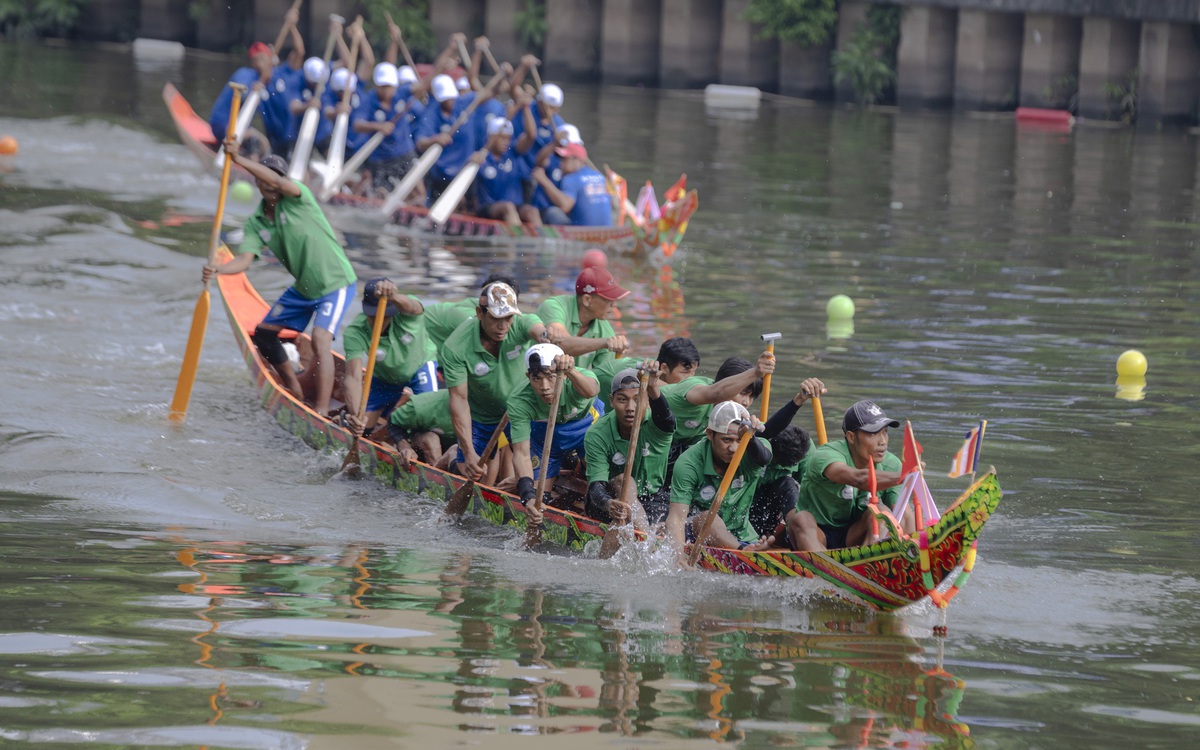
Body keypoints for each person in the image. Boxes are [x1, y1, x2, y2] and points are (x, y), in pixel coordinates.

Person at [202, 151, 357, 418]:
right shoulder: (256, 223)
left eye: (276, 178)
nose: (271, 184)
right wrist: (219, 269)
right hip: (304, 288)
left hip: (336, 282)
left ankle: (320, 411)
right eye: (265, 179)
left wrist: (238, 158)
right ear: (257, 183)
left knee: (320, 339)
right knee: (263, 334)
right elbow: (244, 260)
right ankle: (293, 386)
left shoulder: (299, 197)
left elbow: (282, 183)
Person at [439, 282, 550, 485]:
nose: (503, 326)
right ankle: (455, 455)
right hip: (482, 416)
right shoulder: (456, 347)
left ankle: (516, 485)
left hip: (521, 410)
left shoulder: (521, 323)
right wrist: (469, 451)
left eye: (508, 318)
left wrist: (548, 337)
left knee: (536, 469)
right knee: (471, 471)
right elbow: (459, 400)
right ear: (480, 313)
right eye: (496, 319)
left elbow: (541, 332)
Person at [785, 400, 913, 552]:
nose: (883, 442)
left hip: (853, 535)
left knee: (882, 512)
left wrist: (917, 548)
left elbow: (904, 515)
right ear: (851, 437)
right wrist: (906, 476)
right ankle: (826, 569)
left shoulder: (892, 464)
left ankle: (869, 561)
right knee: (801, 519)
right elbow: (858, 479)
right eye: (873, 433)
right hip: (817, 534)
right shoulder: (826, 455)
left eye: (885, 432)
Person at [666, 401, 776, 554]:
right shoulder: (689, 462)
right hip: (698, 533)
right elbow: (677, 517)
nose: (733, 448)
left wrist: (749, 438)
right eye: (726, 440)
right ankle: (745, 551)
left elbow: (764, 458)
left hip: (742, 535)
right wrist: (677, 555)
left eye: (739, 440)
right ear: (710, 434)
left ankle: (748, 548)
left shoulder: (752, 449)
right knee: (708, 517)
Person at [509, 343, 602, 517]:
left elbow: (591, 391)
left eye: (550, 377)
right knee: (538, 496)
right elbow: (521, 454)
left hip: (585, 427)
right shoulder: (519, 400)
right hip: (545, 436)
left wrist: (571, 371)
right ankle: (523, 491)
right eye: (536, 378)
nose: (544, 387)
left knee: (603, 482)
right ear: (528, 376)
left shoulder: (578, 376)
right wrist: (528, 496)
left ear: (563, 376)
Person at [584, 363, 676, 527]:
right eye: (622, 400)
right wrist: (609, 504)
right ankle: (642, 536)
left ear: (647, 401)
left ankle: (641, 534)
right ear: (611, 401)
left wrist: (653, 386)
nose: (630, 408)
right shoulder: (597, 433)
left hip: (652, 498)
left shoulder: (658, 425)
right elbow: (596, 487)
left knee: (665, 527)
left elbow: (666, 418)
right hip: (611, 500)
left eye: (637, 399)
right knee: (623, 481)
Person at [341, 278, 438, 436]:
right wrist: (356, 418)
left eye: (386, 315)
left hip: (420, 366)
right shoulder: (355, 332)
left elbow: (415, 308)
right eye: (373, 316)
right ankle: (351, 420)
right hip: (385, 377)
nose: (379, 320)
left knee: (429, 417)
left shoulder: (406, 311)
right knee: (363, 427)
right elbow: (353, 378)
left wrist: (394, 297)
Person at [747, 380, 827, 536]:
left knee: (789, 485)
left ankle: (798, 533)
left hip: (775, 504)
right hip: (744, 498)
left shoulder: (806, 449)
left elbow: (808, 493)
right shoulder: (756, 435)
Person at [350, 62, 423, 198]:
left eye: (389, 87)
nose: (385, 90)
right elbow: (357, 125)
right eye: (382, 86)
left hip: (404, 152)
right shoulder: (368, 100)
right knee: (381, 194)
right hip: (380, 158)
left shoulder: (401, 93)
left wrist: (445, 61)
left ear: (395, 86)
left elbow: (423, 85)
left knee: (419, 193)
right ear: (376, 85)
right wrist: (378, 126)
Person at [537, 267, 629, 370]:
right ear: (587, 300)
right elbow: (561, 344)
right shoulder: (553, 307)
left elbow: (605, 377)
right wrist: (604, 343)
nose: (614, 305)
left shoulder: (606, 331)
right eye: (608, 299)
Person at [415, 73, 478, 205]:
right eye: (445, 98)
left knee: (468, 203)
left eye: (451, 97)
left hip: (465, 168)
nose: (449, 101)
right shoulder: (431, 114)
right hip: (441, 172)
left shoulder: (464, 102)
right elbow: (420, 142)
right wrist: (436, 139)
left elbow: (487, 93)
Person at [469, 116, 540, 226]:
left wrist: (525, 107)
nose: (506, 142)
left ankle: (541, 242)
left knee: (532, 211)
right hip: (488, 208)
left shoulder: (512, 153)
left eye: (508, 138)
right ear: (491, 137)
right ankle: (518, 240)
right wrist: (469, 163)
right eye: (502, 138)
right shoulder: (481, 158)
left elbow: (531, 135)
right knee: (507, 207)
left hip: (514, 206)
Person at [208, 41, 273, 157]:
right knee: (255, 143)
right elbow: (241, 93)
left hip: (242, 126)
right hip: (223, 124)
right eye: (257, 59)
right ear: (253, 62)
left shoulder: (267, 82)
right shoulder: (244, 74)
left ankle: (254, 165)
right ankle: (251, 167)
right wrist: (253, 89)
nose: (261, 63)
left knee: (266, 145)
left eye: (264, 59)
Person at [532, 142, 613, 227]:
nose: (561, 164)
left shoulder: (571, 179)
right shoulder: (600, 176)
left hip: (582, 233)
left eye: (565, 159)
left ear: (577, 160)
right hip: (605, 230)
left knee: (551, 212)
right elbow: (611, 203)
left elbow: (565, 205)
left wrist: (544, 181)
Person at [386, 390, 457, 468]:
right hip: (420, 445)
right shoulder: (425, 406)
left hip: (452, 451)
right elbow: (393, 421)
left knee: (456, 449)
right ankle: (435, 474)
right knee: (430, 439)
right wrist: (404, 447)